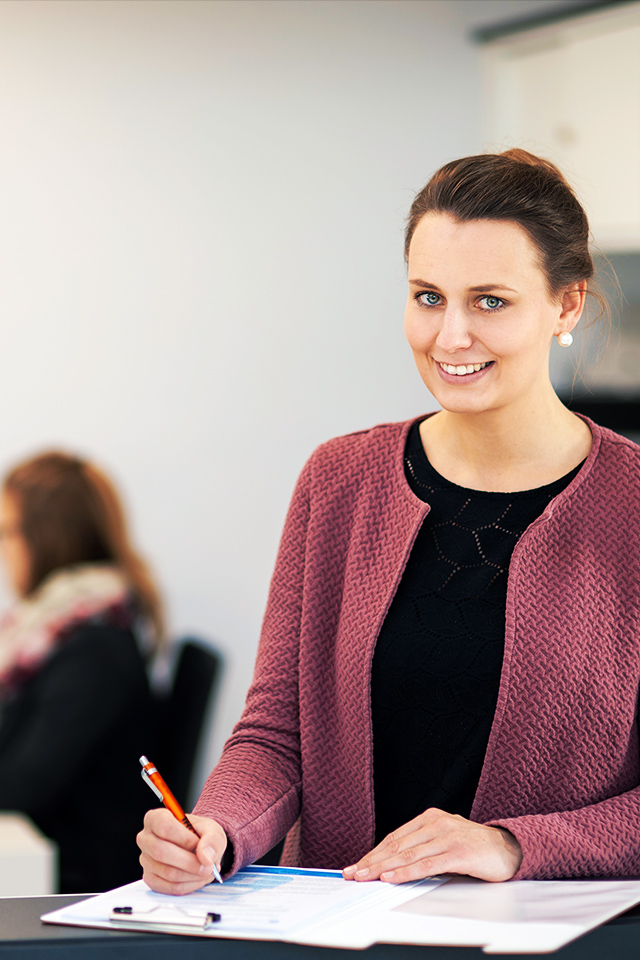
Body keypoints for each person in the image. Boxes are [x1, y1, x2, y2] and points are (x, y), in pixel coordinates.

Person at [138, 149, 640, 893]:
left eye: (491, 301)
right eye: (429, 297)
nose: (451, 336)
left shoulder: (629, 507)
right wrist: (217, 830)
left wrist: (511, 844)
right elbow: (277, 734)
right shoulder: (337, 483)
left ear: (566, 305)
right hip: (344, 933)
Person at [0, 451, 163, 892]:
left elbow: (19, 784)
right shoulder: (53, 630)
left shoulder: (94, 647)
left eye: (9, 532)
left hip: (76, 878)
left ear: (48, 536)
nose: (4, 549)